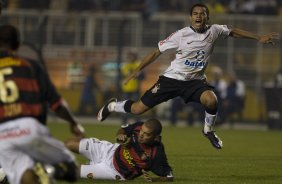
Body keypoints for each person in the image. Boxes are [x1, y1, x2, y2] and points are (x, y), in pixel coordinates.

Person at [97, 3, 278, 149]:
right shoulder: (181, 35)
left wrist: (258, 37)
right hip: (171, 80)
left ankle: (208, 130)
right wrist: (138, 69)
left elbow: (233, 31)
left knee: (211, 100)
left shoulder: (214, 30)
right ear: (191, 17)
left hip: (195, 82)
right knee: (137, 109)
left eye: (202, 13)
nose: (199, 16)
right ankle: (113, 105)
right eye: (195, 13)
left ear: (207, 17)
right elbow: (156, 52)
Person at [0, 25, 85, 184]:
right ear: (18, 44)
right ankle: (48, 170)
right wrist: (73, 123)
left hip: (2, 135)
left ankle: (40, 173)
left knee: (24, 173)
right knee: (71, 168)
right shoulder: (30, 66)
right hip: (28, 127)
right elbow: (56, 103)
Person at [65, 118, 173, 182]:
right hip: (109, 150)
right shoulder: (139, 126)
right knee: (68, 144)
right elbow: (122, 130)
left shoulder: (156, 154)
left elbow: (169, 176)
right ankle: (92, 162)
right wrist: (120, 136)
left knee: (71, 171)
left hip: (113, 172)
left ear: (155, 137)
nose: (141, 135)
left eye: (146, 134)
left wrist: (154, 180)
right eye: (142, 131)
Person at [120, 51, 144, 124]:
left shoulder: (137, 64)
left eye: (132, 56)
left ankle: (137, 122)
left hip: (135, 89)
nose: (130, 58)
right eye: (129, 56)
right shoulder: (125, 66)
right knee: (125, 106)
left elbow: (142, 76)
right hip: (125, 89)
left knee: (135, 106)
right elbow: (122, 76)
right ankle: (124, 122)